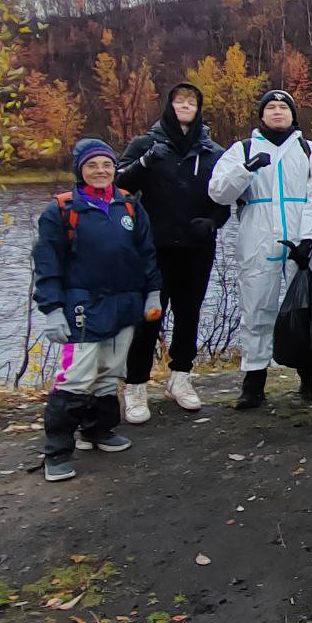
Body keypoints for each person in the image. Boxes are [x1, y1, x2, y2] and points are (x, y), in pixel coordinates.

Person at [32, 139, 162, 482]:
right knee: (77, 375)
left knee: (111, 371)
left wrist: (152, 294)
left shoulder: (130, 208)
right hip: (82, 306)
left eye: (106, 165)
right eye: (93, 166)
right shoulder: (61, 211)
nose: (101, 171)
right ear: (80, 170)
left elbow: (147, 255)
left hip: (126, 303)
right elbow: (47, 265)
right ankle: (57, 451)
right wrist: (51, 310)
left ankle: (98, 430)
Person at [208, 90, 312, 409]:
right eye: (271, 107)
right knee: (257, 309)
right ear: (261, 115)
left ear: (293, 114)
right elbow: (218, 193)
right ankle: (254, 380)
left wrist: (308, 239)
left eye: (283, 107)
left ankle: (310, 375)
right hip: (258, 235)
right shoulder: (243, 149)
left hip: (301, 237)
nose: (277, 112)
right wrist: (246, 169)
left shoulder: (309, 151)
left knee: (304, 307)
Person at [115, 83, 230, 422]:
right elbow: (119, 186)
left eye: (191, 101)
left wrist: (212, 223)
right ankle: (135, 385)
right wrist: (145, 162)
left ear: (199, 108)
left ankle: (180, 378)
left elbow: (224, 199)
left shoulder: (212, 151)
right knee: (149, 317)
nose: (184, 105)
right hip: (154, 249)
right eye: (179, 100)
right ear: (169, 105)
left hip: (196, 248)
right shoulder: (145, 145)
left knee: (189, 313)